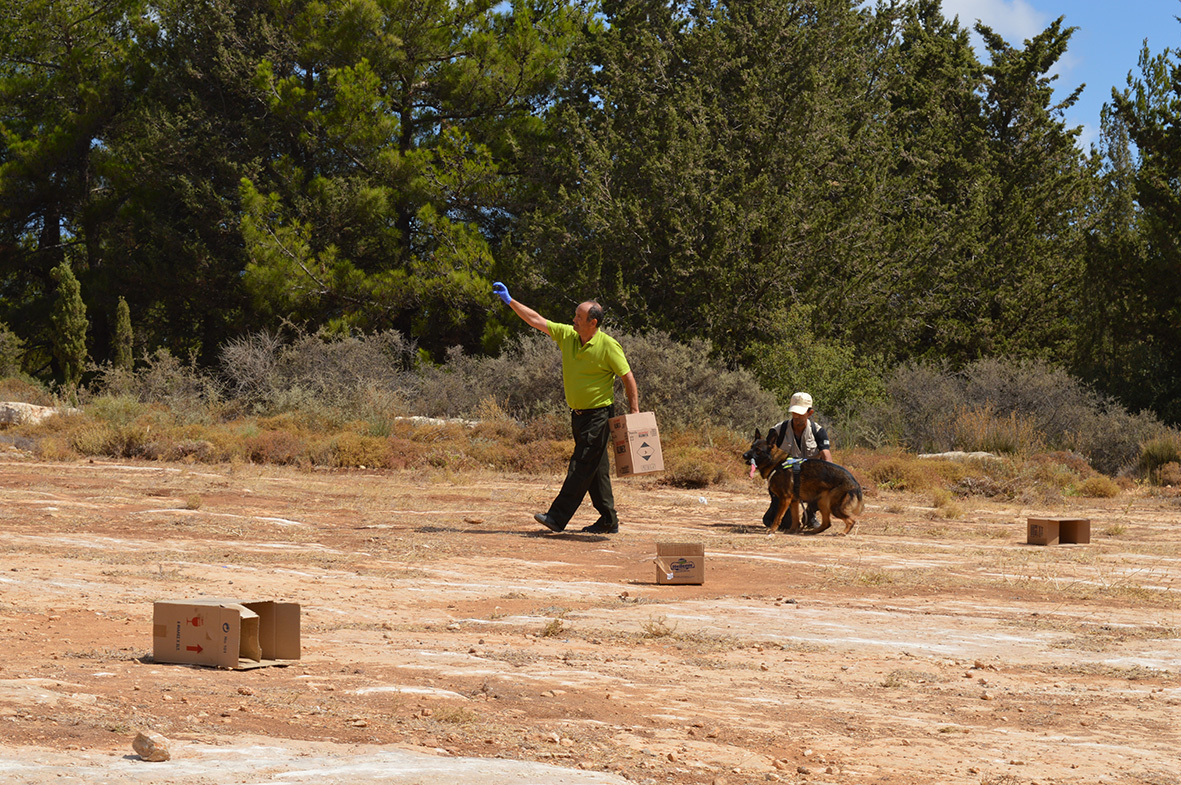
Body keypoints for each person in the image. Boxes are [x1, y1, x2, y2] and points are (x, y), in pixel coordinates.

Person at [493, 282, 639, 534]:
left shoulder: (608, 346)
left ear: (593, 322)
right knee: (596, 470)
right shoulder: (569, 336)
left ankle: (556, 517)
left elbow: (628, 377)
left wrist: (635, 411)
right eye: (575, 315)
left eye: (579, 317)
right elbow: (537, 320)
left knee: (581, 464)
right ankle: (608, 520)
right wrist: (510, 301)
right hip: (578, 416)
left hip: (599, 416)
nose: (574, 320)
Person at [762, 391, 832, 530]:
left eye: (800, 413)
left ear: (810, 413)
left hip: (809, 481)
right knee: (785, 525)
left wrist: (830, 478)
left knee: (825, 487)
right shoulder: (778, 430)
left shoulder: (818, 431)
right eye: (794, 412)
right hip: (784, 482)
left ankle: (810, 515)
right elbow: (767, 455)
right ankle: (773, 514)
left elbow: (826, 455)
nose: (796, 416)